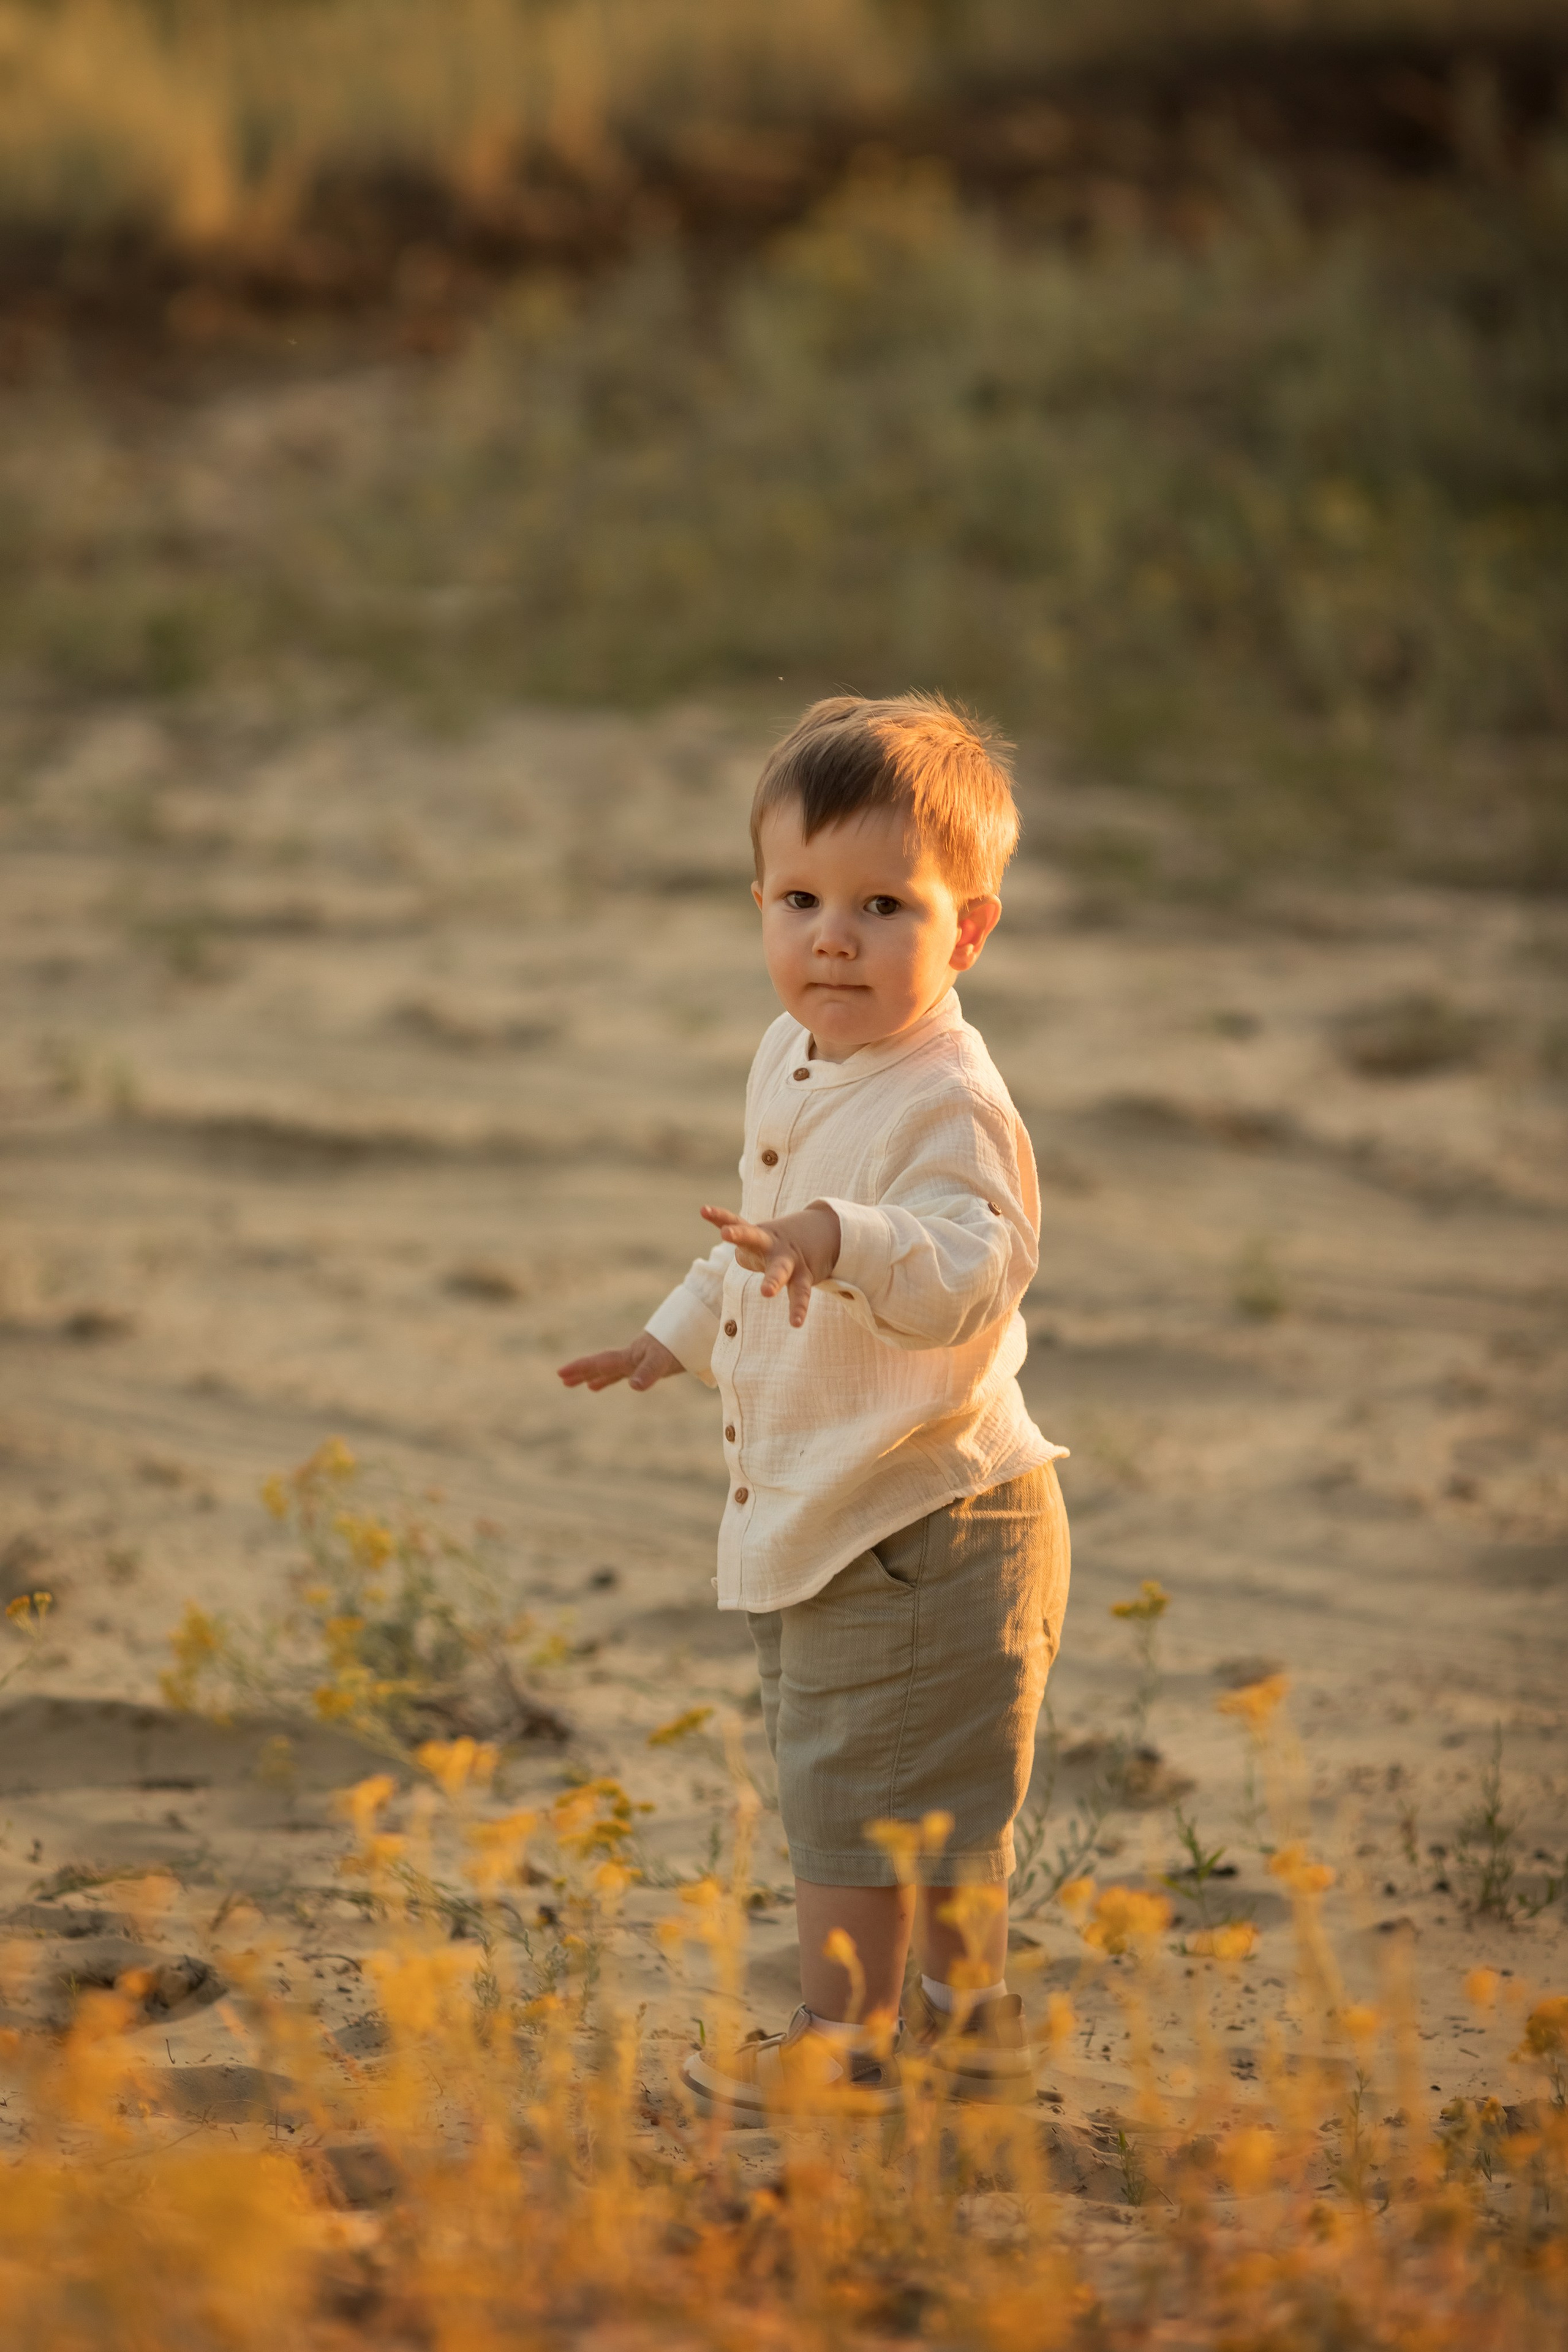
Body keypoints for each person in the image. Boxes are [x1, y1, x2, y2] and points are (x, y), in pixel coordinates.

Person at [559, 692, 1069, 2120]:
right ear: (760, 905)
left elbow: (971, 1272)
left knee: (861, 1814)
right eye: (798, 898)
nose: (830, 936)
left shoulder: (945, 1101)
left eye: (883, 905)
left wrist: (842, 1240)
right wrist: (670, 1336)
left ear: (965, 933)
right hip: (837, 1511)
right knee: (901, 1798)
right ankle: (966, 2037)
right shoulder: (792, 1053)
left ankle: (844, 2049)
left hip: (925, 1517)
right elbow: (758, 1234)